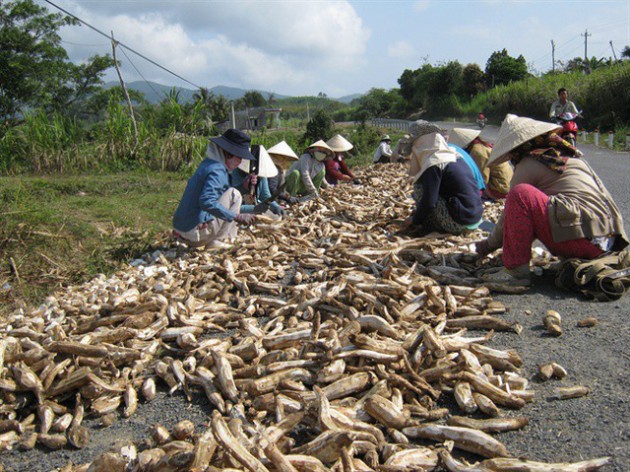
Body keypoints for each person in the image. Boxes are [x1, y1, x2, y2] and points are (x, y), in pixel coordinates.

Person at [477, 114, 628, 288]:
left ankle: (516, 272)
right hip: (607, 244)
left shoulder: (530, 162)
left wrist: (486, 246)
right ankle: (574, 259)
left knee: (520, 195)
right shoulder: (570, 157)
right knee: (551, 207)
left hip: (582, 243)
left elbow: (509, 216)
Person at [172, 129, 257, 248]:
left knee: (234, 191)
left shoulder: (209, 163)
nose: (240, 162)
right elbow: (206, 201)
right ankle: (219, 240)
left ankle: (219, 238)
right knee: (234, 194)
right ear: (229, 154)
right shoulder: (217, 170)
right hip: (193, 234)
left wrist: (243, 186)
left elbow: (218, 195)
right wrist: (236, 216)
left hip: (182, 229)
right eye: (239, 157)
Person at [401, 120, 483, 235]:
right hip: (475, 217)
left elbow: (429, 202)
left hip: (461, 223)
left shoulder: (435, 162)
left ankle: (428, 225)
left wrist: (415, 220)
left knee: (419, 189)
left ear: (420, 144)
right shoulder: (454, 155)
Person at [449, 127, 513, 200]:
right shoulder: (481, 146)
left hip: (500, 188)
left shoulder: (477, 151)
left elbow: (482, 178)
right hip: (507, 184)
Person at [232, 144, 284, 216]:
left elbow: (265, 196)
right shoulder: (235, 173)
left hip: (255, 210)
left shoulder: (261, 174)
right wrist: (254, 208)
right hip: (236, 214)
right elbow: (230, 206)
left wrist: (275, 206)